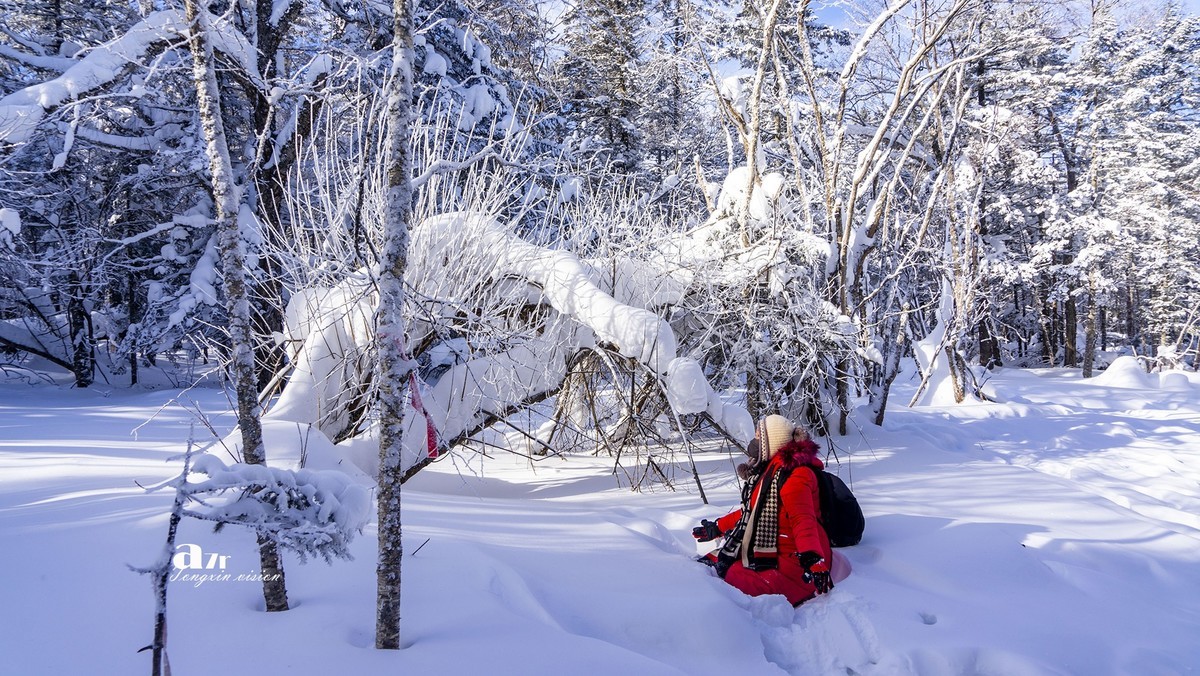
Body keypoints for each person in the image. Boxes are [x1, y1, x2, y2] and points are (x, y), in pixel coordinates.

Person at [692, 414, 833, 606]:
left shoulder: (796, 476)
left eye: (759, 437)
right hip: (777, 550)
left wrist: (813, 560)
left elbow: (803, 520)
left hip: (797, 564)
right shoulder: (771, 471)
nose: (754, 441)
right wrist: (717, 528)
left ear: (771, 442)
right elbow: (751, 513)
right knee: (716, 560)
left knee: (728, 578)